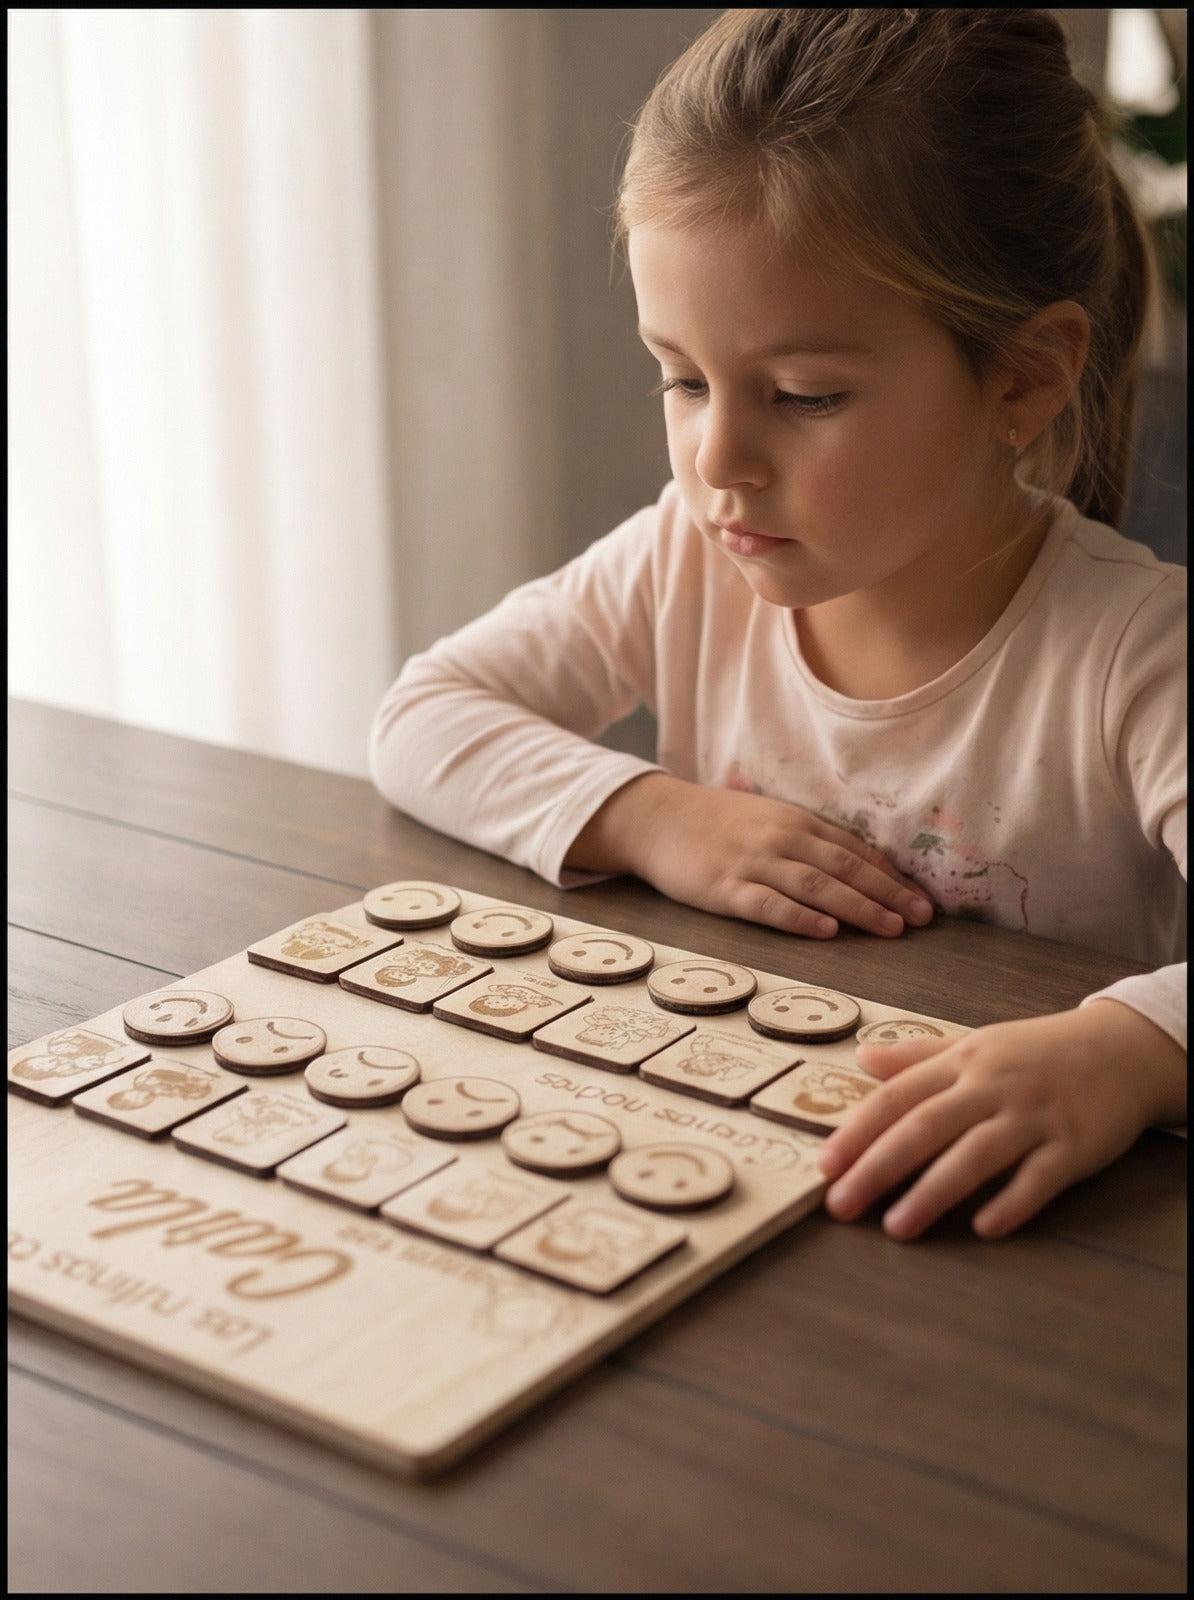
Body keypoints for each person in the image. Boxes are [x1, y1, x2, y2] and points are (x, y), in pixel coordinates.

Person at [370, 9, 1186, 1240]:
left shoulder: (1139, 652)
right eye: (682, 377)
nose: (718, 460)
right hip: (720, 1170)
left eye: (803, 396)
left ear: (1021, 378)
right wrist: (654, 817)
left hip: (1019, 1242)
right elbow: (424, 716)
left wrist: (1125, 1055)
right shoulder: (683, 557)